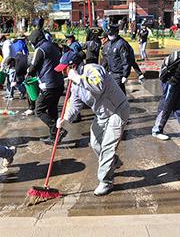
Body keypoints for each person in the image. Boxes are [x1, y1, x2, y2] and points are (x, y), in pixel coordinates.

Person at [55, 51, 129, 196]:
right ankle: (113, 161)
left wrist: (77, 77)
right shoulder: (74, 84)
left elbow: (98, 86)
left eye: (65, 68)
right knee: (95, 143)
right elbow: (75, 105)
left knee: (108, 146)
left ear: (73, 66)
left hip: (117, 110)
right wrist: (65, 119)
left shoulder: (93, 69)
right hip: (102, 114)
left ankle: (106, 181)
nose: (63, 72)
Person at [28, 29, 67, 144]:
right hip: (58, 83)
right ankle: (53, 137)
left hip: (48, 85)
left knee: (39, 110)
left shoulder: (40, 49)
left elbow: (33, 67)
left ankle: (57, 130)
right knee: (52, 109)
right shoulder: (52, 45)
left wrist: (28, 71)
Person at [101, 24, 131, 94]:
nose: (110, 36)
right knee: (116, 93)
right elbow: (107, 58)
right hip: (111, 72)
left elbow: (125, 60)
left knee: (118, 92)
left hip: (119, 74)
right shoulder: (110, 44)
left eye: (111, 34)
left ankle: (123, 104)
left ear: (116, 33)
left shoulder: (121, 44)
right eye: (109, 34)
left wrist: (125, 75)